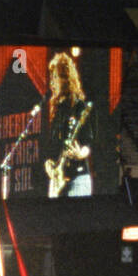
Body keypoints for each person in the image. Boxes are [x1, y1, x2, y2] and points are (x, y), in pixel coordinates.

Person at [43, 52, 94, 198]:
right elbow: (52, 145)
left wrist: (80, 153)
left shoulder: (79, 107)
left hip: (77, 179)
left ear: (66, 79)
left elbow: (88, 143)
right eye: (51, 77)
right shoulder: (57, 109)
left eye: (55, 77)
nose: (52, 82)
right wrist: (48, 163)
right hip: (58, 179)